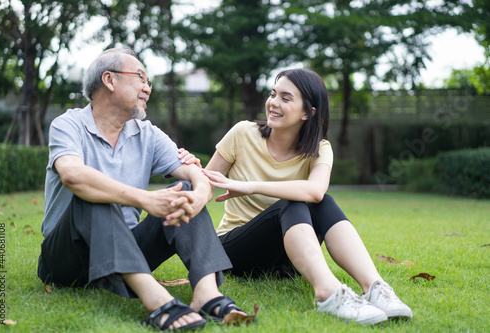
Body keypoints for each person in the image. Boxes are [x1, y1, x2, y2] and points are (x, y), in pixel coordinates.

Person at [37, 47, 250, 331]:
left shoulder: (147, 133)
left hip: (127, 249)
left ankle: (207, 293)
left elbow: (192, 171)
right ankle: (156, 300)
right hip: (67, 258)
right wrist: (145, 199)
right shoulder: (68, 124)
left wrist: (199, 193)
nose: (148, 88)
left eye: (148, 82)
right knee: (93, 190)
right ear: (109, 80)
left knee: (184, 189)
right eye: (140, 78)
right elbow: (73, 175)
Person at [201, 68, 413, 326]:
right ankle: (328, 292)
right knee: (291, 203)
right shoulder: (242, 134)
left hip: (284, 264)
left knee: (323, 201)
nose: (273, 103)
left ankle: (375, 287)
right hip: (233, 253)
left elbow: (315, 191)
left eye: (285, 98)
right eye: (273, 94)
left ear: (307, 112)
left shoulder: (320, 148)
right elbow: (204, 182)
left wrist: (249, 186)